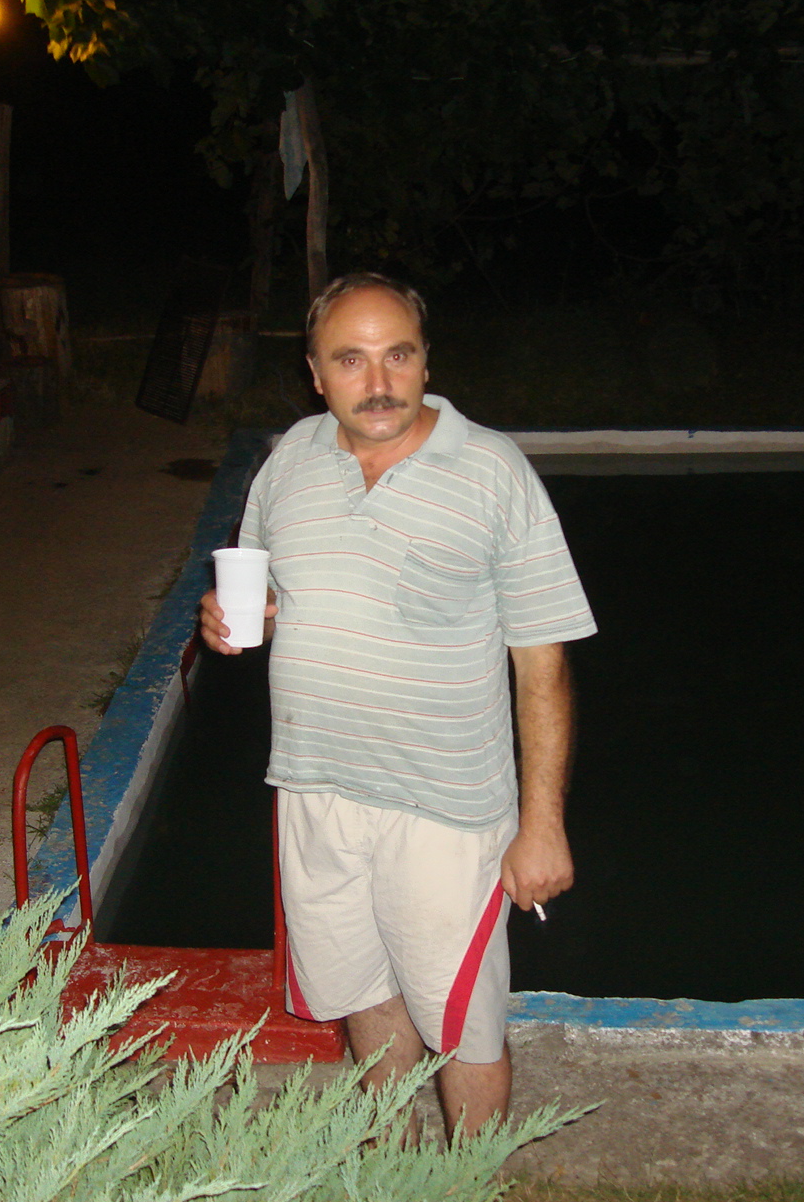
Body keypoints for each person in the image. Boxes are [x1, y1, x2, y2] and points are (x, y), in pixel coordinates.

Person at [199, 274, 595, 1138]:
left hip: (446, 811)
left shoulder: (493, 472)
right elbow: (262, 594)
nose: (378, 383)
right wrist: (226, 619)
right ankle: (387, 1167)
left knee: (465, 1029)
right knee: (364, 1000)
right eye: (351, 360)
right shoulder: (288, 461)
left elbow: (543, 664)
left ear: (425, 362)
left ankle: (463, 1184)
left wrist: (543, 824)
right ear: (314, 373)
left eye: (398, 356)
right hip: (316, 791)